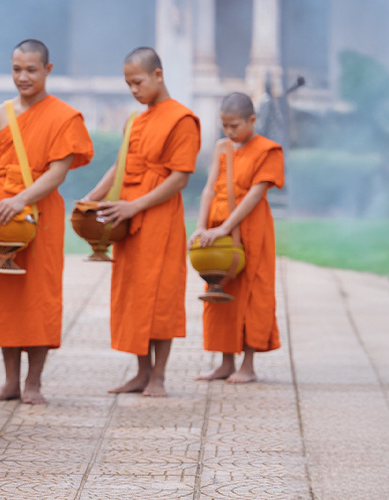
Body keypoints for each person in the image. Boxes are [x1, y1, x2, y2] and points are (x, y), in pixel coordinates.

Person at [0, 39, 93, 405]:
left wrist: (20, 200)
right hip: (0, 212)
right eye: (16, 69)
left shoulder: (64, 116)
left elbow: (58, 173)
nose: (23, 77)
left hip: (41, 213)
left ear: (47, 70)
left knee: (40, 296)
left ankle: (34, 383)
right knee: (4, 295)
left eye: (31, 70)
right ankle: (11, 382)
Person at [83, 47, 199, 398]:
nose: (133, 90)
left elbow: (179, 178)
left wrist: (135, 206)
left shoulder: (182, 119)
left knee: (161, 294)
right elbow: (120, 165)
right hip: (126, 217)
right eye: (128, 84)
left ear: (158, 75)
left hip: (159, 216)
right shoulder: (135, 120)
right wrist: (92, 197)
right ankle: (141, 373)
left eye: (138, 82)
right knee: (133, 293)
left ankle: (158, 376)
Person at [192, 93, 285, 385]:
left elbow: (255, 196)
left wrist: (226, 228)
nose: (229, 132)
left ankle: (248, 365)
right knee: (219, 289)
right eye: (225, 125)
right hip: (216, 226)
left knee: (253, 292)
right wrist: (201, 227)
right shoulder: (222, 148)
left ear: (252, 120)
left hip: (251, 229)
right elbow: (209, 189)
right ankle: (225, 362)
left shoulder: (268, 150)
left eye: (235, 126)